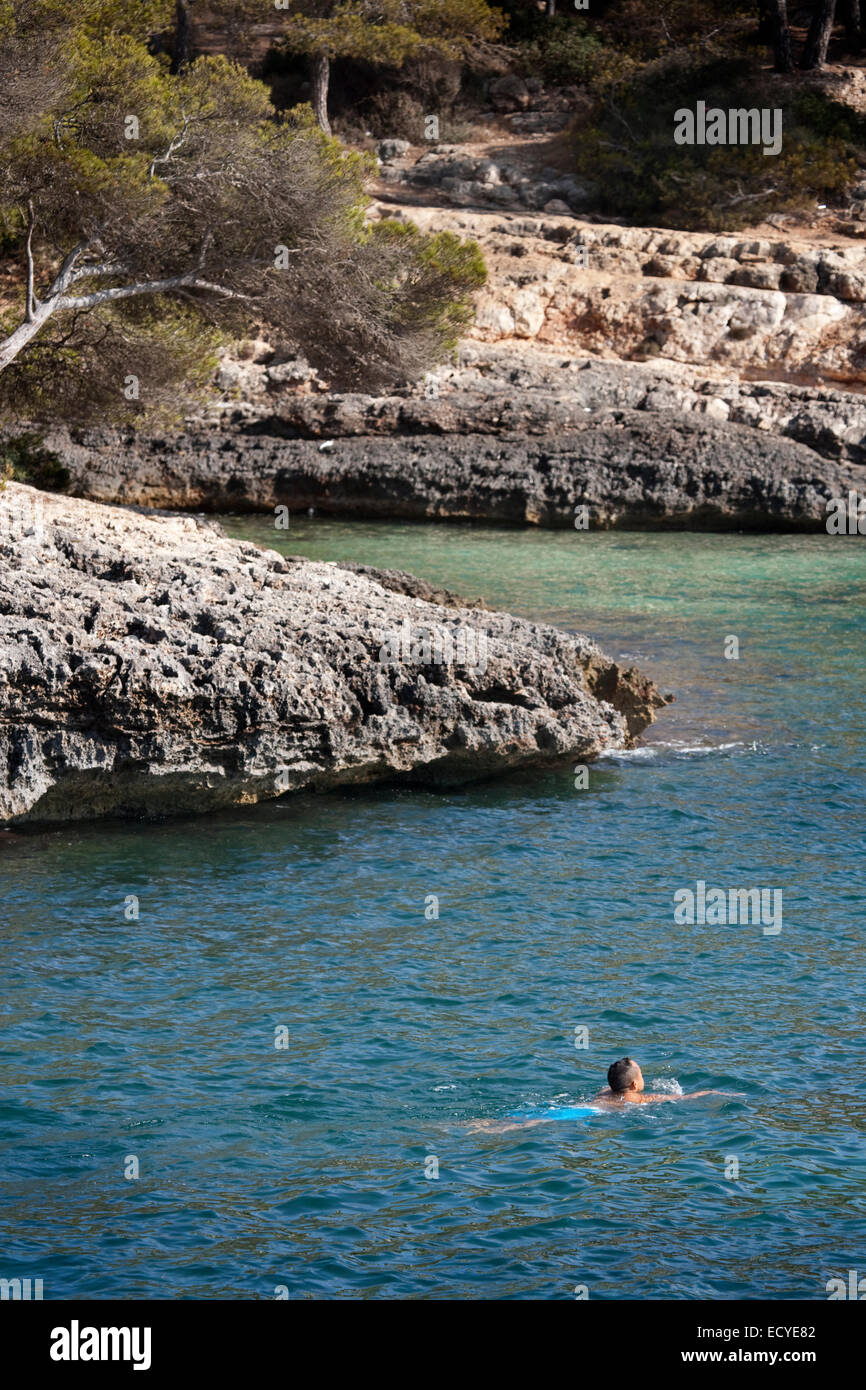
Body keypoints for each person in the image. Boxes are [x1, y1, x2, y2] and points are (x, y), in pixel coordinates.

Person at [594, 1057, 715, 1106]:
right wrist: (709, 1092)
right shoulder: (643, 1099)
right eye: (640, 1074)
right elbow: (683, 1098)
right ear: (634, 1084)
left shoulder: (604, 1092)